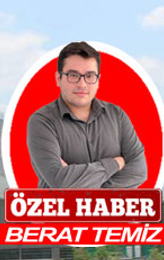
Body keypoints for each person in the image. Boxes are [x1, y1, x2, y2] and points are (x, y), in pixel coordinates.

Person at [26, 41, 146, 188]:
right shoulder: (42, 122)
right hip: (61, 211)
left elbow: (139, 172)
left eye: (89, 76)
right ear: (58, 78)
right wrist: (115, 163)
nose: (82, 84)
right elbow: (60, 182)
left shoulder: (117, 116)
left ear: (98, 80)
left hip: (112, 211)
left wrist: (81, 185)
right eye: (73, 75)